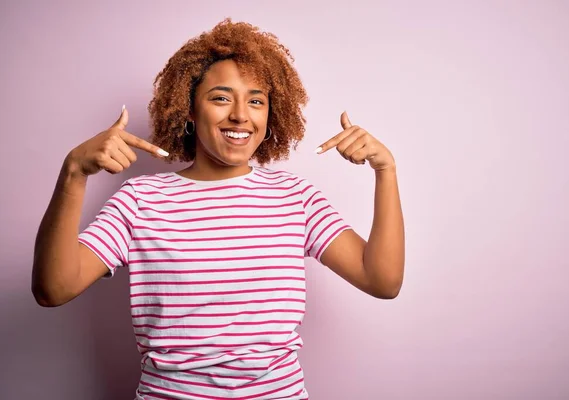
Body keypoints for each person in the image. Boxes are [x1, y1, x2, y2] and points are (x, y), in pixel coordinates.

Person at [31, 18, 405, 400]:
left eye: (256, 100)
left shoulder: (296, 197)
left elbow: (382, 281)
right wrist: (73, 174)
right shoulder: (140, 200)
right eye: (221, 98)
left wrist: (385, 170)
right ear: (189, 110)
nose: (241, 115)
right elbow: (53, 289)